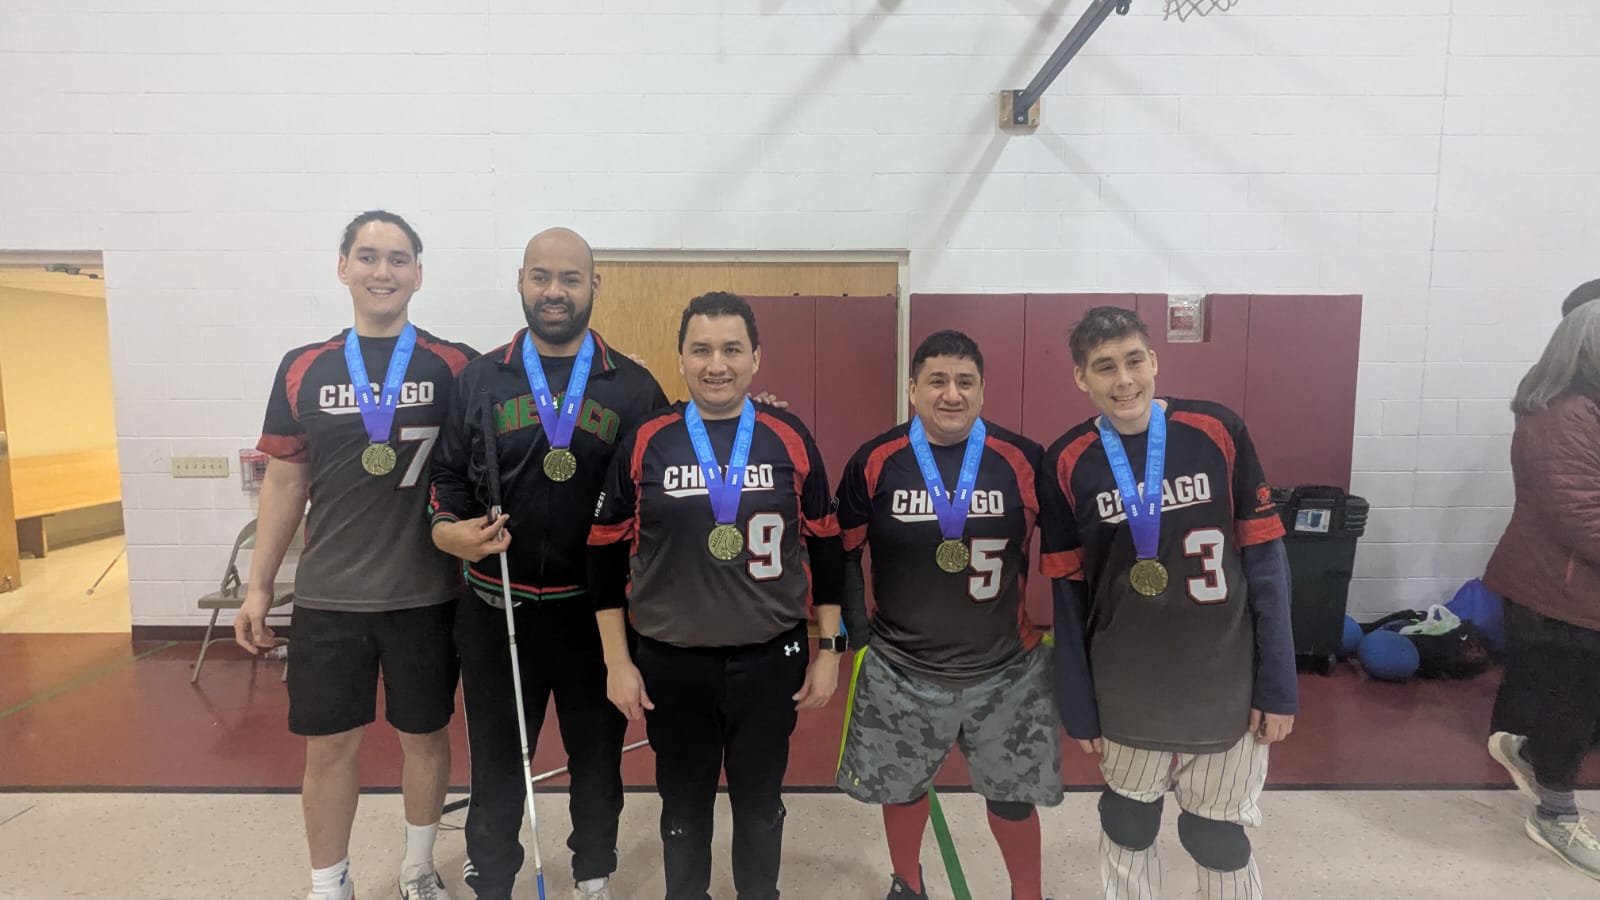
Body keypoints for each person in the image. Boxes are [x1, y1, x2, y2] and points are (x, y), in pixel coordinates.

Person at [235, 210, 475, 900]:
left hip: (426, 595)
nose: (383, 271)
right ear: (342, 267)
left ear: (419, 275)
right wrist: (258, 589)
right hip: (328, 598)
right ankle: (328, 882)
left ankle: (417, 867)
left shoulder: (452, 364)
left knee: (425, 739)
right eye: (368, 256)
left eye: (399, 259)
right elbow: (285, 480)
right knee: (329, 748)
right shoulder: (302, 367)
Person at [428, 227, 668, 900]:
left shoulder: (633, 387)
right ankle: (493, 878)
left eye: (568, 278)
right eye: (540, 277)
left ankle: (594, 872)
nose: (553, 291)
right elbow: (447, 475)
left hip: (596, 618)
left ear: (595, 286)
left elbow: (668, 475)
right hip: (496, 607)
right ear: (521, 282)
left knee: (597, 762)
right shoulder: (479, 379)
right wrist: (449, 530)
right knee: (499, 762)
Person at [587, 291, 846, 900]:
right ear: (680, 358)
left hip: (767, 660)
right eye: (701, 349)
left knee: (761, 805)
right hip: (671, 662)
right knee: (683, 807)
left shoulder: (789, 436)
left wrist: (830, 648)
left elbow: (828, 547)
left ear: (756, 358)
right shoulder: (648, 439)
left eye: (732, 349)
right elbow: (601, 553)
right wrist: (617, 662)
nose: (716, 364)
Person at [1038, 306, 1297, 900]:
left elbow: (1266, 564)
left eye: (1133, 361)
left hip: (1224, 677)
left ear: (1154, 360)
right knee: (1127, 824)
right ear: (1081, 378)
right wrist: (1077, 703)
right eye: (1104, 367)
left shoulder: (1217, 430)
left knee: (1217, 834)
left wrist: (1278, 686)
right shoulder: (1067, 460)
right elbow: (1067, 594)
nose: (1123, 380)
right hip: (1126, 685)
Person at [833, 329, 1063, 900]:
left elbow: (1066, 562)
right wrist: (858, 642)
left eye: (965, 382)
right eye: (937, 381)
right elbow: (840, 555)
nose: (951, 394)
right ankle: (907, 884)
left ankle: (1026, 893)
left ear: (983, 391)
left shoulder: (1024, 460)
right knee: (901, 788)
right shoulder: (876, 461)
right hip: (901, 666)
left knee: (1012, 797)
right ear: (913, 389)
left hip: (1006, 668)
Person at [1484, 301, 1600, 882]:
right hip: (1562, 595)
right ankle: (1555, 816)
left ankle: (1530, 754)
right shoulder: (1562, 414)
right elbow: (1581, 515)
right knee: (1571, 708)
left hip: (1576, 592)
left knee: (1577, 708)